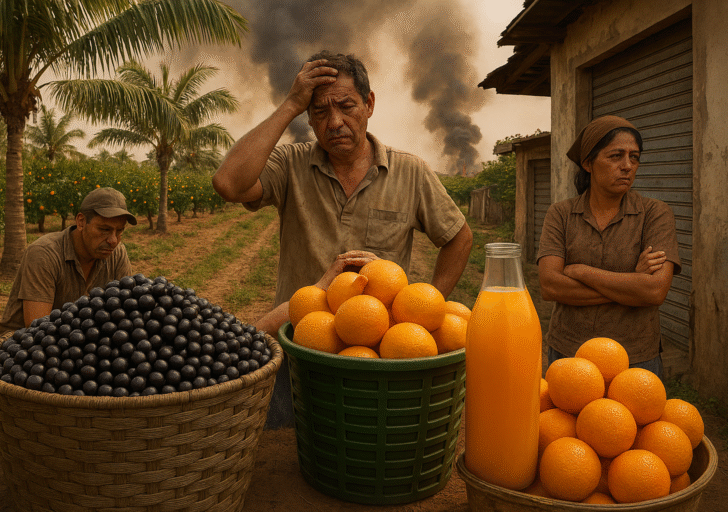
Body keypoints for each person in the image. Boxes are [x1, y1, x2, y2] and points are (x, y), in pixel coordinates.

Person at [213, 50, 473, 427]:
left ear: (369, 104)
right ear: (308, 116)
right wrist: (289, 104)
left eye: (347, 106)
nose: (334, 122)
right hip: (300, 344)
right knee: (288, 445)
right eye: (319, 112)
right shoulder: (290, 164)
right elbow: (228, 183)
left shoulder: (410, 172)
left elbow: (459, 238)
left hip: (375, 354)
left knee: (368, 447)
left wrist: (428, 304)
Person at [537, 115, 681, 379]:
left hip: (635, 357)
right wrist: (632, 282)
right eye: (616, 156)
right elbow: (550, 286)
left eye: (634, 157)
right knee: (564, 420)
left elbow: (654, 291)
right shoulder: (560, 214)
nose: (627, 166)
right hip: (570, 352)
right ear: (588, 163)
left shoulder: (655, 213)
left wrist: (581, 271)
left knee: (632, 421)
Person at [0, 187, 137, 336]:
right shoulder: (44, 254)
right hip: (26, 345)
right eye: (104, 229)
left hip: (86, 340)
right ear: (81, 222)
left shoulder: (117, 253)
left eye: (120, 231)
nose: (113, 240)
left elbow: (125, 313)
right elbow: (37, 329)